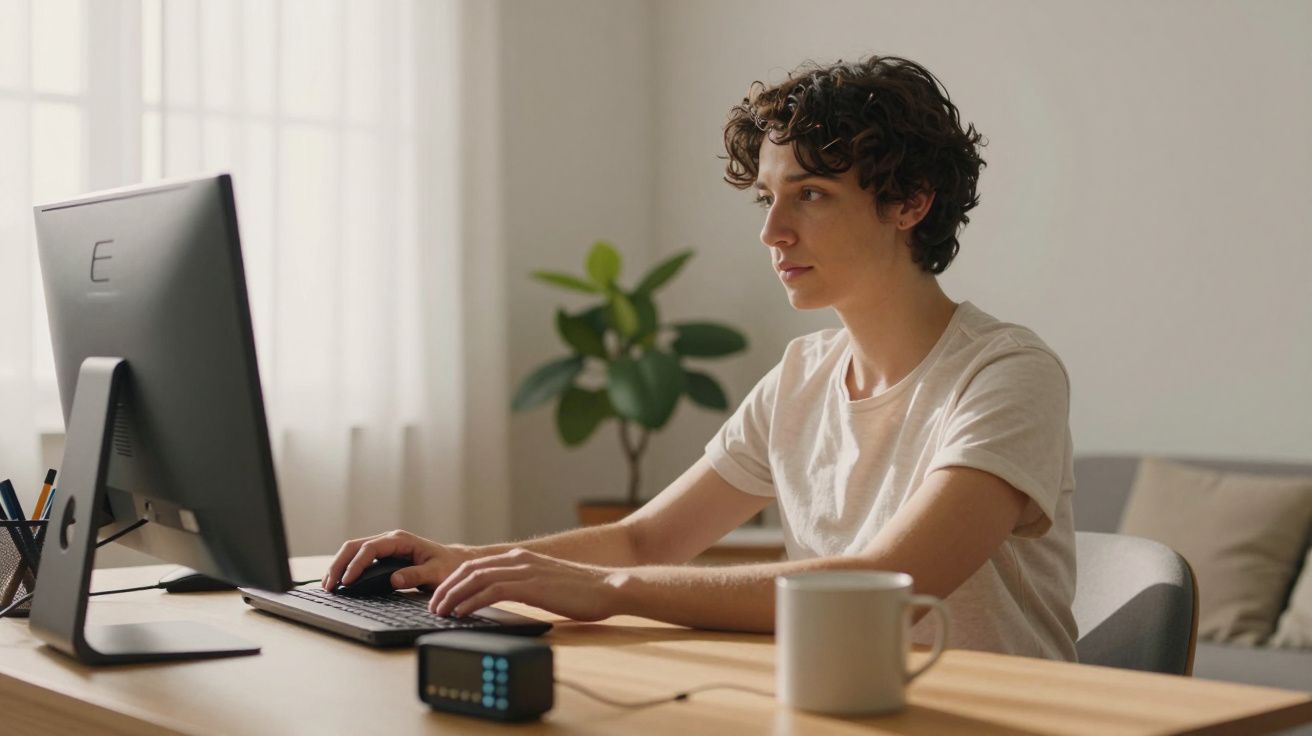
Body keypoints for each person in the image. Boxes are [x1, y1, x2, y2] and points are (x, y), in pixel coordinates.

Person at [323, 55, 1078, 661]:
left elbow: (890, 582)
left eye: (810, 195)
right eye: (767, 199)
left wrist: (612, 588)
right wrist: (460, 559)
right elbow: (650, 538)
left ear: (911, 202)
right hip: (842, 710)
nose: (772, 231)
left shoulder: (1008, 373)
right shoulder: (800, 377)